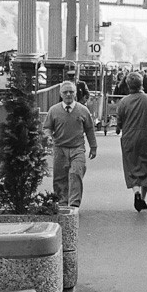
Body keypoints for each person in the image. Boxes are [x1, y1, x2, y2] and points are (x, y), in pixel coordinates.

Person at [115, 71, 147, 212]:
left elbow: (119, 120)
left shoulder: (123, 102)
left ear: (127, 85)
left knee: (131, 165)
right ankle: (143, 198)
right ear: (141, 84)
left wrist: (119, 129)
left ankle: (136, 191)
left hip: (129, 138)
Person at [42, 80, 98, 208]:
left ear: (75, 94)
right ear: (61, 94)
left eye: (71, 92)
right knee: (60, 178)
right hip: (60, 148)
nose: (68, 94)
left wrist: (93, 147)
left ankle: (73, 205)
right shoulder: (54, 110)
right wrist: (48, 136)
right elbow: (47, 127)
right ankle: (62, 204)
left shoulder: (83, 110)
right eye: (65, 92)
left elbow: (89, 129)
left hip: (77, 148)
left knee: (75, 174)